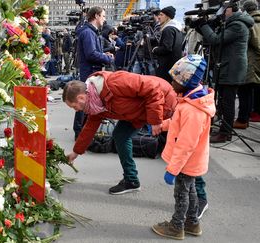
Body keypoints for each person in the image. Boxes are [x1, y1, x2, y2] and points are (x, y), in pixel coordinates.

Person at [63, 71, 177, 194]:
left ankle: (197, 192)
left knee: (185, 146)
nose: (76, 110)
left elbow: (153, 88)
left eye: (74, 106)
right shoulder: (94, 103)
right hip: (138, 113)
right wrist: (76, 152)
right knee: (120, 136)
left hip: (165, 103)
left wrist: (155, 120)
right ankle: (131, 180)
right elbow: (89, 128)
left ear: (81, 98)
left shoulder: (114, 82)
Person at [152, 55, 216, 240]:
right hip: (190, 161)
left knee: (181, 194)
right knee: (191, 190)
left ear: (187, 82)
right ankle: (192, 223)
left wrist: (173, 169)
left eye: (175, 79)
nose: (171, 83)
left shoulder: (192, 109)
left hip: (185, 162)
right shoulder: (190, 100)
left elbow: (186, 144)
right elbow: (177, 123)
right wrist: (163, 125)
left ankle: (176, 226)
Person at [193, 3, 254, 142]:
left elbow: (215, 40)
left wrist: (204, 25)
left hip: (232, 68)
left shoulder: (237, 25)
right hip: (227, 66)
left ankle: (225, 133)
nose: (221, 13)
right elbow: (213, 38)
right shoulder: (232, 24)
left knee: (228, 101)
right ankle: (222, 128)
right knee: (222, 99)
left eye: (224, 11)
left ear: (231, 11)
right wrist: (202, 26)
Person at [73, 6, 114, 140]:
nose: (104, 19)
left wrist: (102, 54)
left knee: (86, 100)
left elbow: (92, 52)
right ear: (96, 16)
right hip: (89, 72)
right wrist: (107, 58)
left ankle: (82, 131)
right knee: (84, 100)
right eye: (103, 16)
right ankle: (80, 132)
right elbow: (91, 54)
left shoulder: (91, 32)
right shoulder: (88, 33)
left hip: (91, 70)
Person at [233, 1, 260, 128]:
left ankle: (243, 119)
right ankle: (255, 114)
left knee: (245, 91)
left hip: (251, 61)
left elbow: (255, 43)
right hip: (257, 62)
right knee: (256, 90)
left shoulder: (250, 23)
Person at [152, 6, 183, 83]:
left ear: (167, 17)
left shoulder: (168, 29)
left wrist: (155, 49)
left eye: (161, 15)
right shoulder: (176, 29)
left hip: (166, 68)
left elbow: (167, 48)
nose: (159, 17)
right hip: (173, 67)